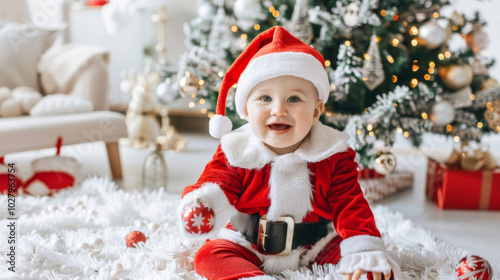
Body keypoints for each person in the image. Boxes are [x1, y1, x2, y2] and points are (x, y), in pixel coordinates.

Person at [178, 26, 402, 280]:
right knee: (209, 256)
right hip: (247, 240)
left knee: (369, 265)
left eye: (293, 99)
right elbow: (216, 183)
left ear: (316, 112)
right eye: (264, 99)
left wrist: (363, 247)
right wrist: (204, 204)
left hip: (316, 242)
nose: (278, 110)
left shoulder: (334, 153)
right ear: (246, 111)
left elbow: (349, 203)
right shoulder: (236, 150)